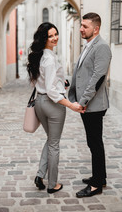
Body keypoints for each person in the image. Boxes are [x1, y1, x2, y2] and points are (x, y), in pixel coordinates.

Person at [27, 22, 84, 194]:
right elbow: (52, 91)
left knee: (51, 140)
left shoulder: (40, 56)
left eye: (55, 34)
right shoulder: (50, 59)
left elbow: (44, 82)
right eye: (50, 36)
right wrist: (71, 105)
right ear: (43, 38)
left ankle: (40, 175)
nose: (54, 38)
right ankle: (52, 184)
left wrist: (62, 82)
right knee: (54, 144)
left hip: (39, 104)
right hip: (53, 105)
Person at [68, 12, 112, 197]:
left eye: (85, 26)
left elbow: (97, 78)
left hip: (92, 105)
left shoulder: (101, 47)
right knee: (92, 142)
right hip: (87, 104)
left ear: (96, 28)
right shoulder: (89, 45)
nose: (81, 29)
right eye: (81, 25)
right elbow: (82, 72)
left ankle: (96, 185)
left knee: (95, 143)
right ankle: (99, 177)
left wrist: (83, 101)